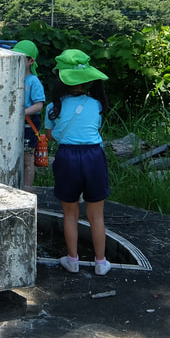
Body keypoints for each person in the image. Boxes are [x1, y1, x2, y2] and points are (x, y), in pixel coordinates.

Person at [44, 49, 112, 276]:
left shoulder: (54, 108)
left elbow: (51, 135)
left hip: (67, 159)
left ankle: (72, 259)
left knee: (70, 214)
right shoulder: (96, 105)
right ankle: (101, 262)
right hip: (94, 157)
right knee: (97, 215)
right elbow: (94, 128)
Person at [11, 40, 45, 191]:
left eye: (21, 58)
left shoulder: (33, 81)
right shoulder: (11, 77)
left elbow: (39, 105)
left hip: (28, 122)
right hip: (12, 122)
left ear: (31, 61)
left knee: (27, 158)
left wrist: (21, 113)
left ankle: (27, 190)